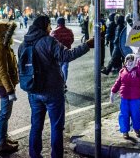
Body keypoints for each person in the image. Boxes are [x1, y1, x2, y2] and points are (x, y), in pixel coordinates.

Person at [18, 15, 94, 158]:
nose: (51, 28)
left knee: (36, 125)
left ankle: (34, 155)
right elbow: (67, 56)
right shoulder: (48, 41)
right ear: (44, 26)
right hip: (52, 91)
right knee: (56, 126)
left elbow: (21, 68)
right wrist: (87, 45)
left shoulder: (23, 44)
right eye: (49, 26)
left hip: (33, 91)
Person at [0, 22, 19, 154]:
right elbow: (3, 72)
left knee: (5, 114)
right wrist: (10, 90)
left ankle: (4, 138)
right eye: (8, 32)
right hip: (4, 86)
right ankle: (2, 144)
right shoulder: (0, 49)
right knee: (4, 115)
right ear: (2, 34)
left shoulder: (4, 46)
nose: (11, 35)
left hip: (6, 85)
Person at [110, 50, 140, 139]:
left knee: (136, 114)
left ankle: (137, 129)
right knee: (124, 114)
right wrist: (113, 92)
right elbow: (118, 83)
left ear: (135, 62)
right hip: (124, 98)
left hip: (135, 98)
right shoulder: (122, 71)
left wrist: (139, 58)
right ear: (125, 62)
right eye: (127, 61)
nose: (129, 63)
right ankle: (125, 131)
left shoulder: (138, 71)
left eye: (131, 61)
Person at [50, 17, 74, 91]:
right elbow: (72, 40)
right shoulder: (69, 31)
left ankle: (59, 84)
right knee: (65, 68)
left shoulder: (54, 32)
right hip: (67, 52)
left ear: (58, 23)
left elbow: (50, 42)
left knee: (58, 69)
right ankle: (63, 83)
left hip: (57, 53)